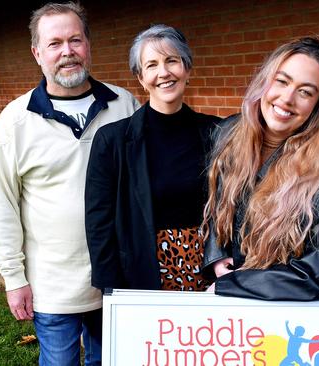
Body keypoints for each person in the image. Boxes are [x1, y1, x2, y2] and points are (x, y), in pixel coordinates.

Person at [0, 2, 139, 365]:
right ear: (37, 53)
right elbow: (3, 205)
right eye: (54, 44)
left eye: (75, 40)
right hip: (51, 286)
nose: (67, 52)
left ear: (88, 45)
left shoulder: (124, 105)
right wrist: (13, 277)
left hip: (116, 280)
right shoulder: (14, 122)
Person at [202, 37, 319, 300]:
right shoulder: (228, 135)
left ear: (318, 106)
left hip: (285, 318)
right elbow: (220, 204)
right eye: (282, 81)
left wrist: (237, 284)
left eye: (305, 91)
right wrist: (217, 254)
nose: (287, 98)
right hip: (236, 312)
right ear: (265, 81)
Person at [85, 24, 221, 292]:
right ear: (140, 78)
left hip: (210, 270)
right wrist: (111, 290)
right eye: (152, 65)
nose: (164, 72)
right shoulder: (112, 140)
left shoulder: (217, 132)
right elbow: (98, 222)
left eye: (172, 60)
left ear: (187, 69)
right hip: (142, 272)